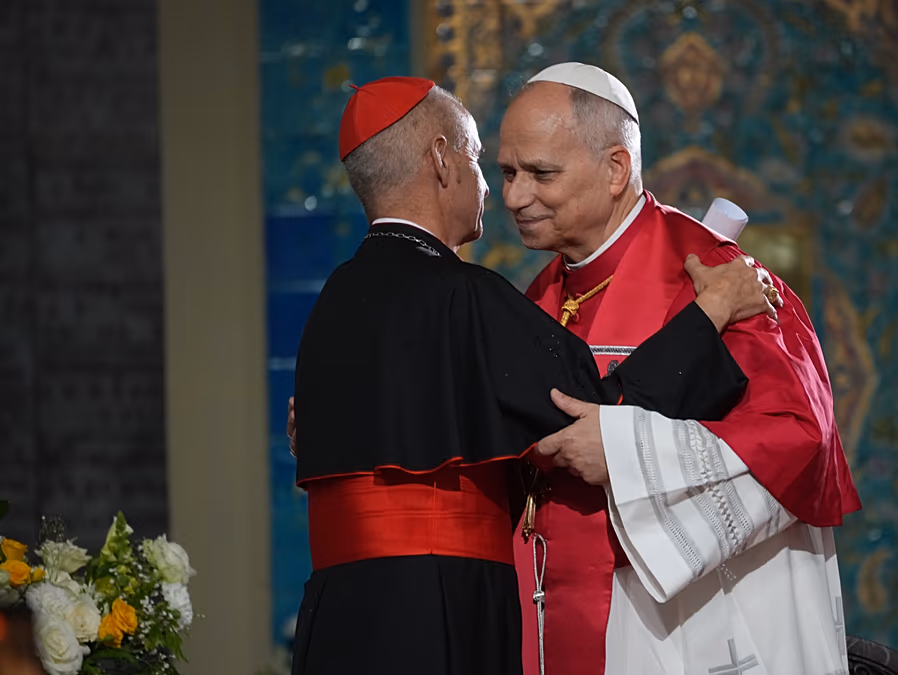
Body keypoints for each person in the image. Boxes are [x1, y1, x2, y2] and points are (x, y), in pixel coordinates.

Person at [287, 76, 781, 675]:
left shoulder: (331, 303)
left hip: (335, 614)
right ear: (440, 160)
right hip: (438, 605)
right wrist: (712, 312)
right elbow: (602, 411)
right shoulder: (464, 296)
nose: (498, 193)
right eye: (479, 161)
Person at [498, 63, 862, 675]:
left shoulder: (722, 280)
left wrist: (625, 452)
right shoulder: (541, 295)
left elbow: (801, 441)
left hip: (677, 627)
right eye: (508, 173)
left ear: (616, 168)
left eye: (541, 173)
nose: (514, 197)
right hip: (554, 611)